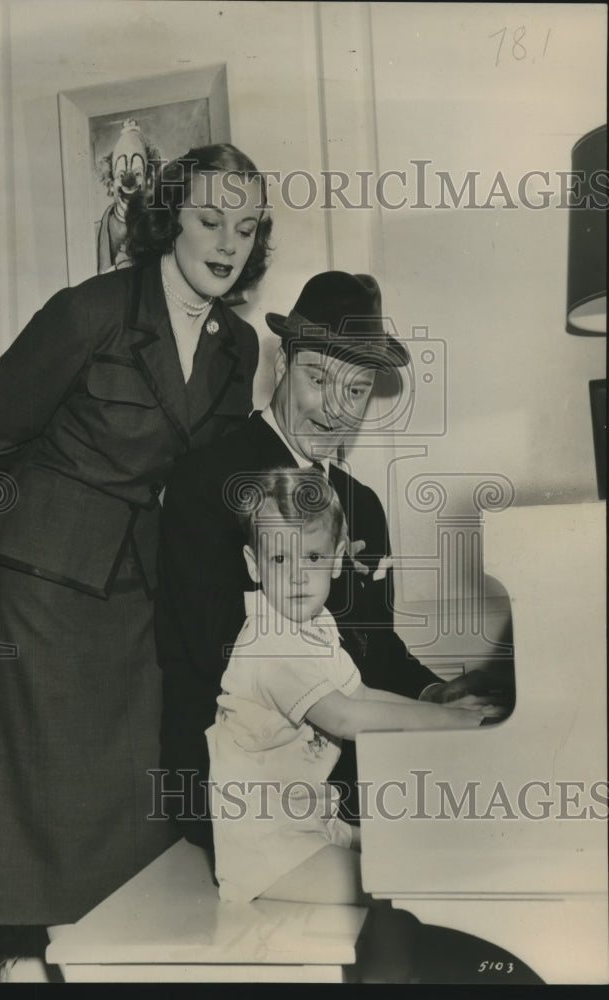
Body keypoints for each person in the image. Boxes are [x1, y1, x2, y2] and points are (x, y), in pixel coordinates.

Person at [0, 143, 273, 943]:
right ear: (169, 221)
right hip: (42, 580)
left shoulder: (239, 346)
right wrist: (53, 510)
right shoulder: (89, 312)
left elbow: (207, 473)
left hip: (140, 578)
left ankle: (115, 951)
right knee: (48, 788)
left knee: (131, 783)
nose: (228, 243)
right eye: (209, 220)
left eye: (245, 225)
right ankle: (30, 946)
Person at [156, 271, 507, 849]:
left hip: (342, 763)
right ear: (282, 366)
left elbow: (377, 645)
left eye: (357, 389)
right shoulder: (208, 478)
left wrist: (431, 694)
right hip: (244, 782)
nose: (336, 411)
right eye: (319, 379)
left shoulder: (362, 506)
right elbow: (220, 645)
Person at [207, 467, 490, 905]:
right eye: (281, 559)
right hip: (266, 851)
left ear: (337, 558)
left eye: (314, 557)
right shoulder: (268, 642)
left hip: (310, 823)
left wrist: (447, 715)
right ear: (254, 565)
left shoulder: (316, 624)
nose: (299, 575)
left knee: (419, 853)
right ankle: (389, 971)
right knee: (395, 889)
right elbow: (343, 715)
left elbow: (359, 693)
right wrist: (447, 720)